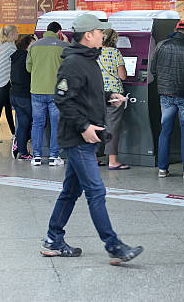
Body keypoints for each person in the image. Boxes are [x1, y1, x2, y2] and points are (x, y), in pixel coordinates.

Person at [42, 14, 144, 265]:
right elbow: (63, 99)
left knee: (70, 191)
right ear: (88, 35)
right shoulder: (74, 63)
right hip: (78, 138)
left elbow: (86, 94)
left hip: (86, 135)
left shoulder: (89, 60)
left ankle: (53, 240)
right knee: (96, 191)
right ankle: (114, 246)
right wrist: (84, 126)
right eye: (100, 31)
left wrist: (109, 96)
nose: (103, 35)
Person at [149, 19, 184, 178]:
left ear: (175, 30)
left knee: (165, 130)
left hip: (166, 95)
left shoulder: (161, 45)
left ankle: (162, 169)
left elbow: (153, 70)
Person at [26, 21, 69, 166]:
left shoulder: (34, 46)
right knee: (56, 123)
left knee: (37, 124)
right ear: (59, 32)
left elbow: (28, 68)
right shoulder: (63, 46)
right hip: (56, 92)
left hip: (37, 90)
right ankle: (53, 157)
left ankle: (36, 157)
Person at [98, 28, 129, 170]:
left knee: (96, 125)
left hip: (97, 93)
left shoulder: (94, 52)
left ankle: (93, 158)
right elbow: (122, 76)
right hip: (114, 95)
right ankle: (112, 161)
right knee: (112, 128)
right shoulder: (115, 53)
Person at [0, 25, 18, 143]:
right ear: (11, 34)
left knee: (7, 107)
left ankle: (14, 133)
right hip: (5, 81)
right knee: (0, 107)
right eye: (16, 32)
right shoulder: (11, 46)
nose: (18, 34)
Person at [10, 34, 37, 160]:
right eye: (33, 44)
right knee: (37, 121)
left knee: (24, 123)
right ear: (27, 45)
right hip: (24, 95)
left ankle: (22, 150)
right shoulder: (27, 57)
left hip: (14, 95)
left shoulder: (15, 56)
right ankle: (20, 144)